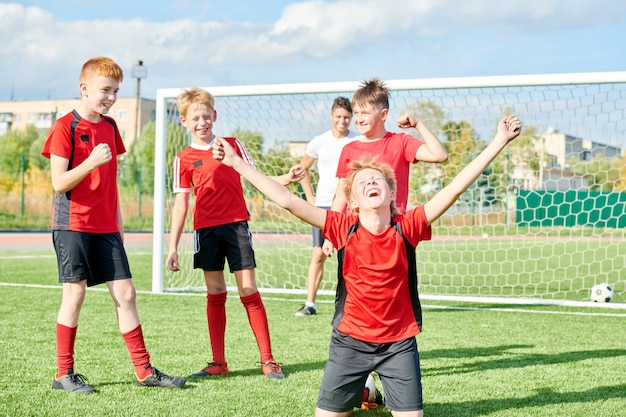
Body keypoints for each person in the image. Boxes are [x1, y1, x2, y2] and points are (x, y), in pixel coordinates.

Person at [211, 115, 521, 416]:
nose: (371, 181)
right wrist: (237, 164)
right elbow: (288, 200)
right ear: (354, 201)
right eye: (363, 181)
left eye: (378, 180)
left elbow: (454, 188)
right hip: (349, 342)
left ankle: (370, 389)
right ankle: (366, 391)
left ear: (391, 195)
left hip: (398, 344)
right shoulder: (343, 226)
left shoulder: (408, 225)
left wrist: (499, 141)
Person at [41, 56, 186, 394]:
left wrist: (118, 223)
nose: (110, 97)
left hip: (107, 228)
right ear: (84, 87)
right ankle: (63, 373)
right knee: (75, 295)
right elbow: (59, 183)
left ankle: (144, 370)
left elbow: (112, 182)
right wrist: (91, 161)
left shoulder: (110, 127)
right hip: (72, 224)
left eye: (116, 91)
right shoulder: (65, 127)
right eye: (105, 90)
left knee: (126, 293)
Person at [166, 87, 304, 380]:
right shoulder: (184, 158)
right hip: (205, 230)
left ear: (214, 116)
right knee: (215, 292)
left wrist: (287, 179)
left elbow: (257, 179)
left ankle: (268, 360)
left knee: (248, 291)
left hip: (236, 226)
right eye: (195, 118)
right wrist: (173, 245)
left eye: (206, 116)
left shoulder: (232, 145)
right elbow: (181, 203)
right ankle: (218, 362)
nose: (202, 122)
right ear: (184, 121)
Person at [323, 78, 448, 257]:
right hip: (357, 232)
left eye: (365, 113)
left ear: (383, 114)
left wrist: (418, 125)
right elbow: (342, 194)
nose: (358, 119)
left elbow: (440, 155)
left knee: (397, 283)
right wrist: (330, 235)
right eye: (356, 113)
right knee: (354, 285)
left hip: (393, 230)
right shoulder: (349, 150)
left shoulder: (400, 142)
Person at [295, 96, 360, 317]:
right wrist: (310, 196)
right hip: (323, 206)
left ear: (351, 118)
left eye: (346, 117)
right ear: (331, 116)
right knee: (318, 254)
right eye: (339, 116)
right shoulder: (319, 142)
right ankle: (310, 304)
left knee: (351, 255)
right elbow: (301, 169)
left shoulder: (357, 140)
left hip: (350, 207)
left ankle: (354, 304)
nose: (342, 121)